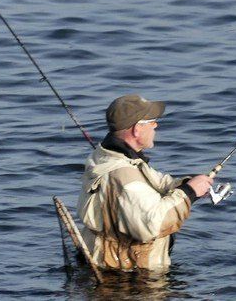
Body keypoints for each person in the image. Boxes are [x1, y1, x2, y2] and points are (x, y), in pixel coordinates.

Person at [77, 94, 213, 271]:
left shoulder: (107, 155)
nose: (156, 126)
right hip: (127, 276)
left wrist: (188, 184)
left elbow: (154, 181)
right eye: (152, 121)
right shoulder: (124, 175)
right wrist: (188, 193)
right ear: (136, 129)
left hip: (104, 262)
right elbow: (152, 224)